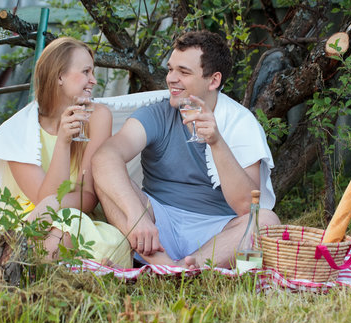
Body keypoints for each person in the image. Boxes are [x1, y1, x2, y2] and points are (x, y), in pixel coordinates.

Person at [92, 30, 281, 269]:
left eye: (184, 72)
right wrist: (136, 216)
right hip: (157, 225)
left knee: (265, 220)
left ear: (213, 80)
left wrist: (216, 142)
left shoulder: (240, 123)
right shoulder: (157, 114)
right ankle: (163, 265)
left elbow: (247, 207)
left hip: (215, 233)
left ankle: (176, 270)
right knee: (105, 179)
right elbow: (105, 156)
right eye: (171, 69)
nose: (171, 78)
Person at [0, 37, 132, 268]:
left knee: (106, 239)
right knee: (60, 233)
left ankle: (15, 266)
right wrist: (62, 143)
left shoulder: (97, 117)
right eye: (86, 71)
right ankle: (21, 263)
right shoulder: (17, 131)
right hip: (29, 221)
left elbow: (87, 197)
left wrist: (54, 208)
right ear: (59, 76)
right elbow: (42, 200)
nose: (94, 80)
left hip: (76, 216)